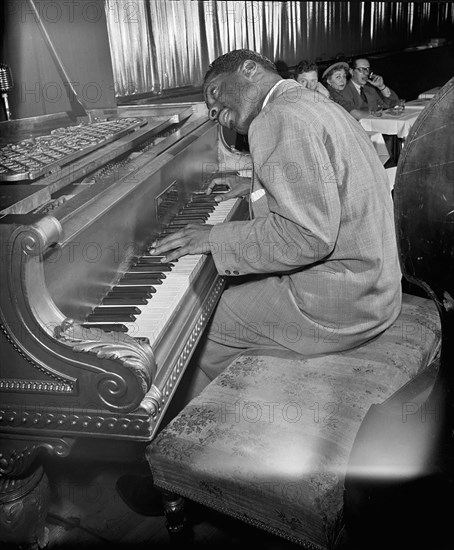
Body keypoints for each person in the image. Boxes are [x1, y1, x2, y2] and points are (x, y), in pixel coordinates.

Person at [150, 49, 402, 392]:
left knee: (195, 328)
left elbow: (307, 237)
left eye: (216, 93)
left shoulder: (276, 117)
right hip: (378, 291)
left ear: (250, 70)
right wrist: (257, 182)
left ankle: (241, 419)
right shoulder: (309, 103)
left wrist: (212, 237)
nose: (213, 110)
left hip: (339, 306)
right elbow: (325, 180)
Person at [329, 57, 399, 120]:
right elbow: (353, 117)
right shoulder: (343, 90)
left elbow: (393, 104)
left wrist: (382, 87)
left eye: (367, 69)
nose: (366, 73)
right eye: (361, 69)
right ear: (351, 72)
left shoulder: (369, 88)